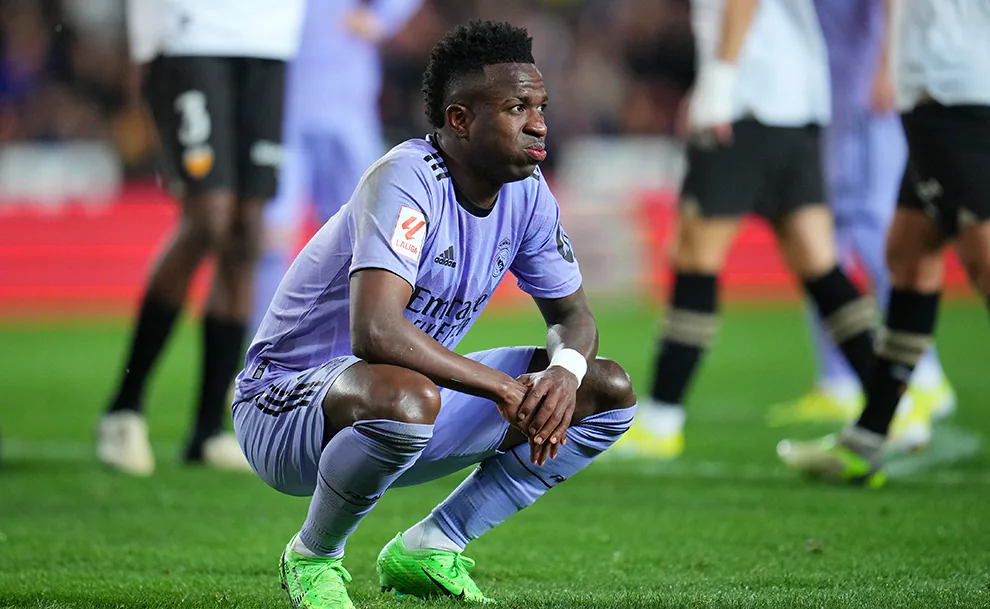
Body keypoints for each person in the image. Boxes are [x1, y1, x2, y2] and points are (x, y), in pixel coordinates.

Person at [231, 21, 636, 607]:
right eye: (517, 108)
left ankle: (432, 545)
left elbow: (574, 317)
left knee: (605, 391)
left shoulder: (527, 193)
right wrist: (503, 386)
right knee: (405, 395)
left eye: (541, 107)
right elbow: (376, 332)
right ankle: (313, 556)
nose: (539, 124)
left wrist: (562, 375)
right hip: (284, 408)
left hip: (409, 404)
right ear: (460, 119)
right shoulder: (406, 178)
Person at [614, 0, 876, 459]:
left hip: (747, 104)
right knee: (818, 262)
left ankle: (661, 420)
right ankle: (893, 400)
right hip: (797, 105)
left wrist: (719, 83)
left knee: (695, 256)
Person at [779, 0, 990, 486]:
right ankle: (870, 437)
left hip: (963, 93)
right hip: (930, 96)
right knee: (909, 255)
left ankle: (880, 427)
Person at [97, 0, 306, 475]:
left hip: (271, 37)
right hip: (189, 32)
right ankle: (124, 408)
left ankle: (208, 430)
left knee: (246, 229)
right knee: (208, 216)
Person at [251, 0, 424, 332]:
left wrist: (382, 18)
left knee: (366, 235)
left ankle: (360, 342)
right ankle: (265, 351)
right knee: (271, 236)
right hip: (282, 105)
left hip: (346, 104)